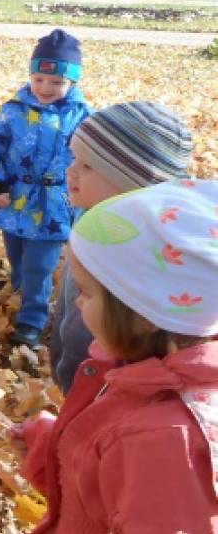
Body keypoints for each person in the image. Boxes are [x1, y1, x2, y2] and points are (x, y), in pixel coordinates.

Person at [5, 180, 218, 534]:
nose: (77, 302)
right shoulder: (137, 370)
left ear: (142, 313)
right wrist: (50, 444)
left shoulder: (164, 441)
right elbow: (112, 480)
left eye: (86, 292)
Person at [49, 101, 194, 392]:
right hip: (72, 362)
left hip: (100, 382)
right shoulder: (90, 212)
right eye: (74, 158)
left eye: (87, 166)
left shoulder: (135, 252)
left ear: (131, 187)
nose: (70, 171)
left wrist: (77, 379)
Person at [0, 29, 91, 349]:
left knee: (39, 265)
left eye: (56, 83)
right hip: (13, 200)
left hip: (55, 205)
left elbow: (91, 160)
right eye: (39, 79)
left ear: (72, 83)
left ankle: (32, 319)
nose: (46, 88)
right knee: (17, 255)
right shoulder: (11, 110)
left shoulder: (82, 117)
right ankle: (21, 288)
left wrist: (84, 194)